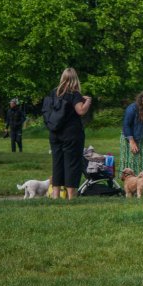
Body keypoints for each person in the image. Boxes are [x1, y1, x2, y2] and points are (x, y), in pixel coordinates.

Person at [46, 68, 92, 199]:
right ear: (75, 79)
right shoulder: (74, 93)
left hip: (55, 133)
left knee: (57, 163)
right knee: (72, 163)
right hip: (71, 134)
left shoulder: (54, 93)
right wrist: (88, 101)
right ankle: (71, 196)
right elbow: (81, 111)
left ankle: (55, 195)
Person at [120, 90, 143, 179]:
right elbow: (126, 125)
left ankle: (141, 184)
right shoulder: (132, 108)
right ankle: (130, 186)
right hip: (131, 139)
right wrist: (131, 141)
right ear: (140, 99)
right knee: (132, 163)